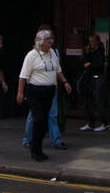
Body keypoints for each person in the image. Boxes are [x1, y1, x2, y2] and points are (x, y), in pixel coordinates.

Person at [17, 27, 72, 161]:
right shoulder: (32, 55)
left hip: (49, 91)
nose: (51, 42)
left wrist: (65, 82)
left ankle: (38, 149)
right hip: (35, 91)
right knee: (39, 120)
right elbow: (23, 76)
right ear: (40, 42)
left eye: (51, 39)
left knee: (44, 122)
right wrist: (20, 93)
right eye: (48, 39)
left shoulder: (52, 53)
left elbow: (58, 70)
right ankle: (34, 149)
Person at [79, 33, 108, 132]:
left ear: (97, 42)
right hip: (91, 77)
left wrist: (90, 64)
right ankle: (91, 123)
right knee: (90, 100)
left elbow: (99, 65)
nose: (90, 43)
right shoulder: (91, 51)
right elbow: (84, 62)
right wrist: (87, 53)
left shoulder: (100, 52)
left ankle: (105, 123)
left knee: (98, 100)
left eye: (92, 41)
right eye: (89, 41)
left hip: (98, 77)